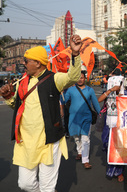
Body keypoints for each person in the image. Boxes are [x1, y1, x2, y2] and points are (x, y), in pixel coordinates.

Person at [0, 35, 82, 192]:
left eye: (26, 61)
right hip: (26, 142)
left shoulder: (54, 79)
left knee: (47, 187)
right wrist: (8, 96)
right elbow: (16, 108)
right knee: (25, 184)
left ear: (37, 63)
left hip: (49, 142)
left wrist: (75, 54)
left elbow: (73, 77)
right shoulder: (22, 82)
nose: (23, 64)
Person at [62, 70, 101, 169]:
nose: (80, 80)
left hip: (86, 117)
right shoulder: (70, 90)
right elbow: (64, 100)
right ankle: (79, 151)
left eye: (82, 78)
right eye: (78, 78)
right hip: (74, 118)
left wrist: (100, 113)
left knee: (85, 138)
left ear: (85, 78)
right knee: (76, 136)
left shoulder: (90, 90)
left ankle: (85, 160)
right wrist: (61, 92)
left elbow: (95, 103)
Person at [98, 68, 125, 182]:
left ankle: (120, 172)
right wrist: (110, 91)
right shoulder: (108, 94)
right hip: (109, 125)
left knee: (119, 149)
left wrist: (118, 91)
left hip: (120, 126)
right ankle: (111, 167)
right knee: (107, 146)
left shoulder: (125, 96)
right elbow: (99, 99)